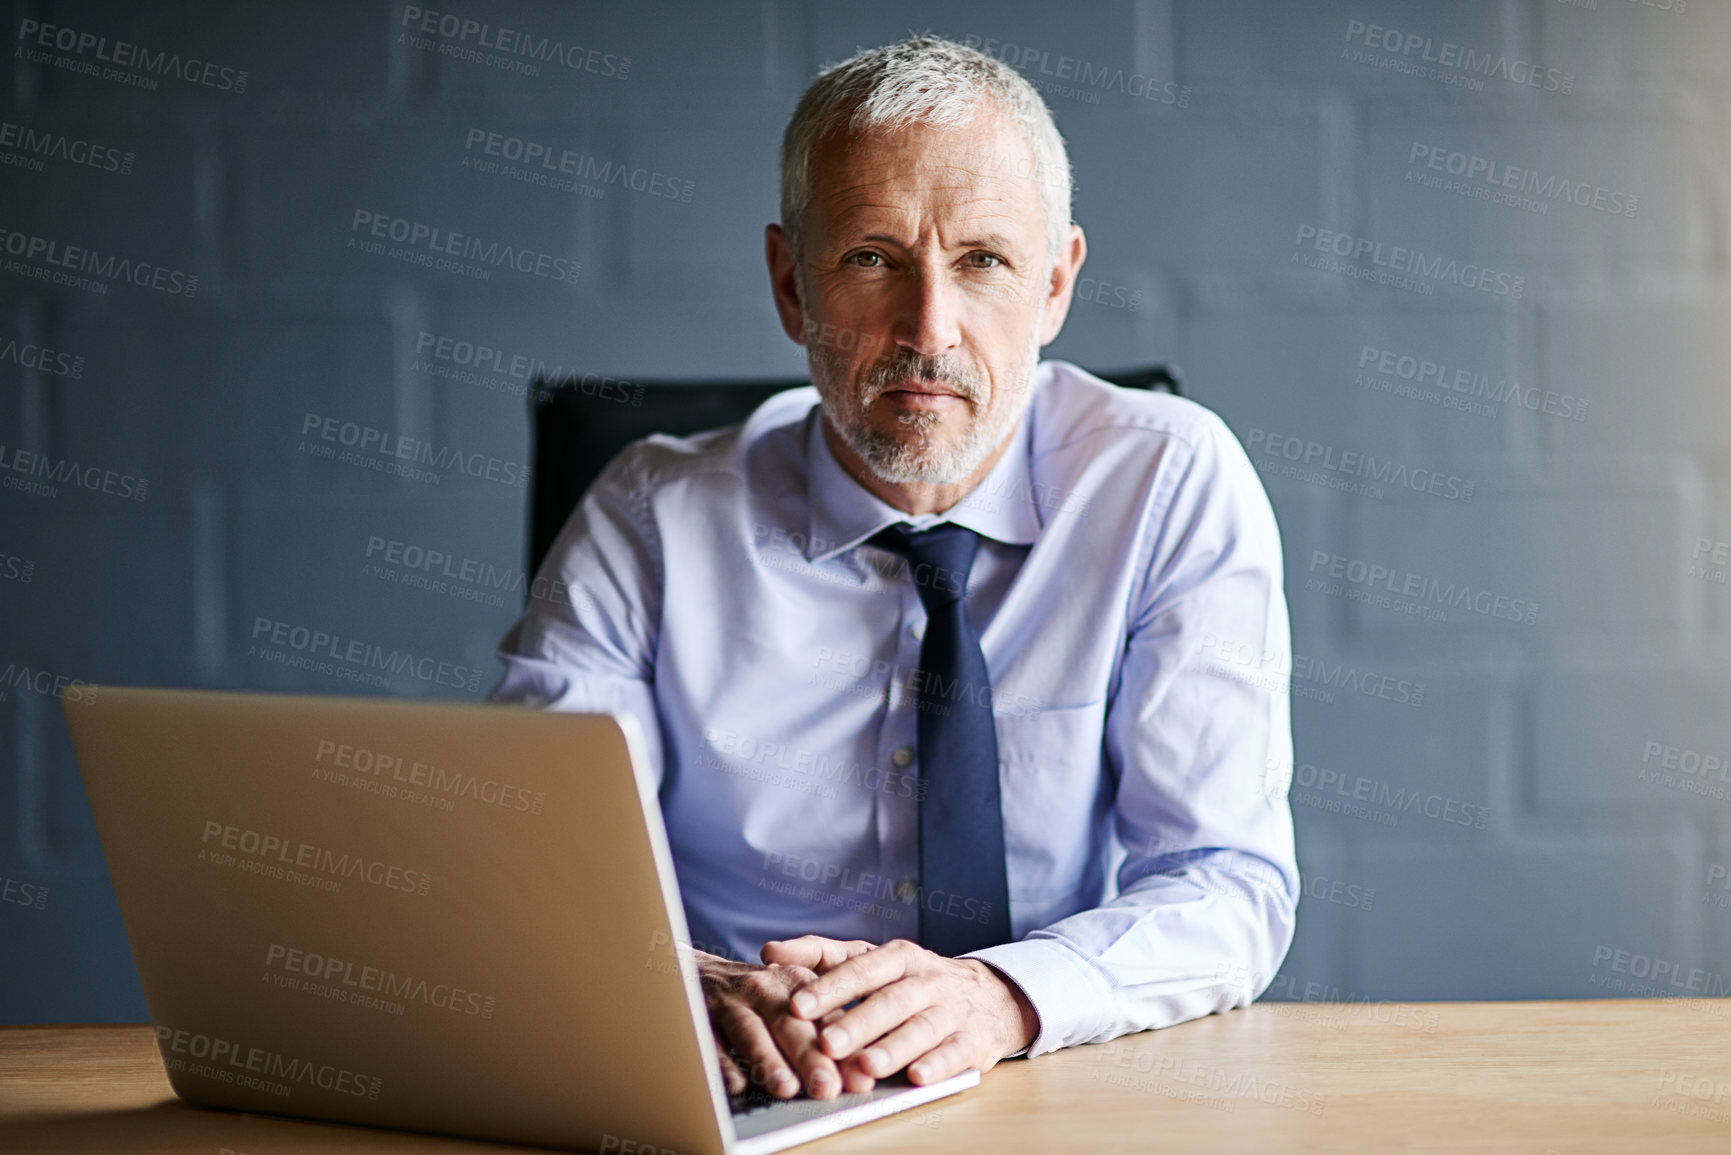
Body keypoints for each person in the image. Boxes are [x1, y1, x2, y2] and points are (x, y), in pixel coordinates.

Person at [489, 35, 1296, 1102]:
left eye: (984, 262)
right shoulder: (650, 513)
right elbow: (527, 866)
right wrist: (688, 986)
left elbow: (1224, 884)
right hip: (738, 1082)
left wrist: (997, 997)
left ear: (1055, 286)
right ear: (789, 284)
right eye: (872, 257)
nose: (930, 328)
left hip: (1051, 1079)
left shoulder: (1170, 482)